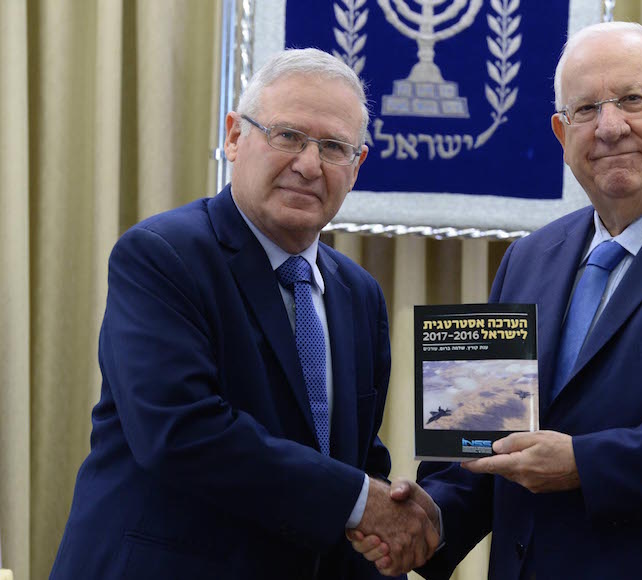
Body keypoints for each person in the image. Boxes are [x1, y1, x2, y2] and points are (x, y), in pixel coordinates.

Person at [352, 21, 642, 579]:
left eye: (632, 99)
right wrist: (431, 517)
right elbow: (485, 429)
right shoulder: (529, 257)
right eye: (585, 110)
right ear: (561, 132)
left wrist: (585, 464)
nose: (609, 127)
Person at [49, 48, 439, 579]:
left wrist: (389, 518)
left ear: (357, 167)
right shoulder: (164, 255)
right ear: (234, 136)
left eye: (332, 147)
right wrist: (360, 501)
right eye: (288, 136)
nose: (308, 164)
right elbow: (181, 432)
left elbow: (354, 460)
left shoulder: (359, 294)